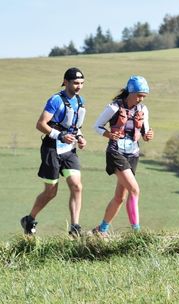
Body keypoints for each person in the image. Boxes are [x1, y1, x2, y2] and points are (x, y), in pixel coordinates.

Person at [20, 67, 87, 237]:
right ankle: (29, 219)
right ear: (65, 82)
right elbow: (41, 124)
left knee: (77, 186)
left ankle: (75, 227)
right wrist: (60, 135)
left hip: (69, 151)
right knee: (51, 192)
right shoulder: (55, 100)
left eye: (81, 83)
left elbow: (74, 126)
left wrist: (80, 138)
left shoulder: (80, 101)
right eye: (75, 83)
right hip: (52, 148)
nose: (78, 86)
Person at [91, 75, 154, 236]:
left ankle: (101, 230)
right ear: (130, 92)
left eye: (143, 96)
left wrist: (148, 136)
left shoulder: (143, 110)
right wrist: (109, 135)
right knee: (135, 190)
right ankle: (137, 233)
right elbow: (96, 126)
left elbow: (145, 132)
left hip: (133, 154)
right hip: (115, 153)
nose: (141, 99)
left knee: (120, 197)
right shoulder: (113, 108)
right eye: (139, 95)